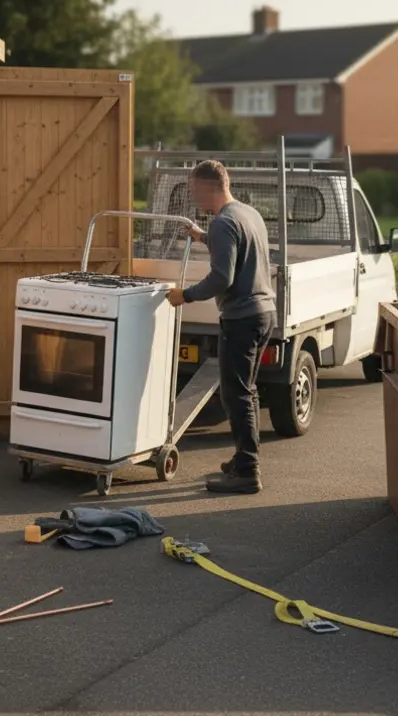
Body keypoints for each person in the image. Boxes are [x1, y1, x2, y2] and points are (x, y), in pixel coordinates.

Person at [166, 160, 276, 495]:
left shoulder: (223, 223)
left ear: (208, 186)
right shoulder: (247, 214)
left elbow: (222, 277)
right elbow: (236, 252)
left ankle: (247, 472)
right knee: (248, 390)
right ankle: (245, 459)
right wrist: (201, 237)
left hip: (241, 318)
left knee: (235, 394)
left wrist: (185, 295)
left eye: (194, 189)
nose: (193, 196)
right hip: (264, 313)